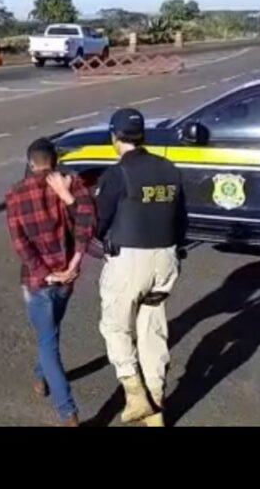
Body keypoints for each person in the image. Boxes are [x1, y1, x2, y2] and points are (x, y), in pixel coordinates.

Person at [94, 108, 187, 427]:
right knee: (152, 332)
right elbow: (182, 221)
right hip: (166, 259)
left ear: (114, 138)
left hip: (130, 262)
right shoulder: (170, 169)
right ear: (142, 136)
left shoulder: (117, 174)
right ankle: (156, 407)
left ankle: (134, 393)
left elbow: (97, 222)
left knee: (116, 327)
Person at [5, 137, 97, 426]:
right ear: (55, 161)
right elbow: (88, 222)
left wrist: (44, 272)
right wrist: (74, 262)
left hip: (37, 280)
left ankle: (67, 410)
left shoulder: (16, 194)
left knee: (48, 341)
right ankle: (39, 377)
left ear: (31, 163)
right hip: (67, 278)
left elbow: (20, 243)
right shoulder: (71, 184)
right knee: (50, 334)